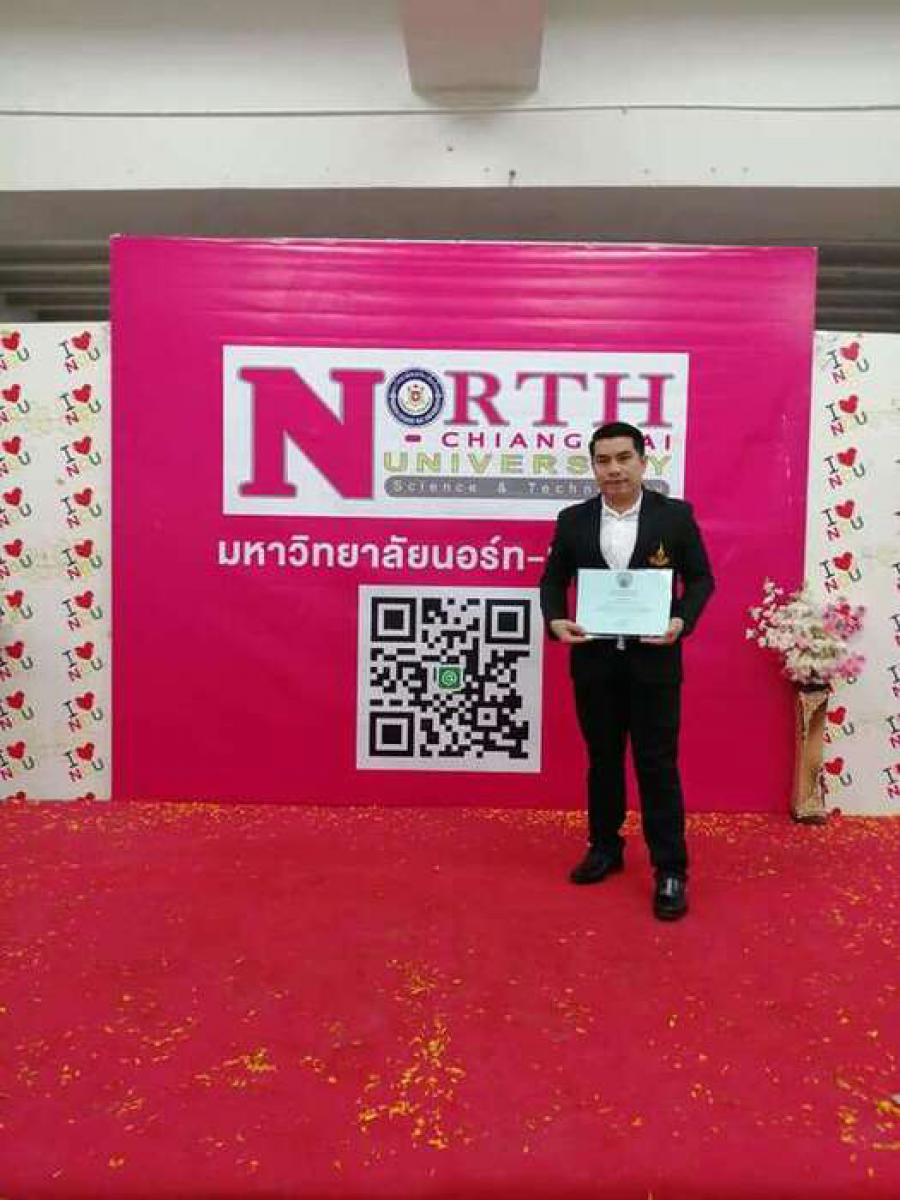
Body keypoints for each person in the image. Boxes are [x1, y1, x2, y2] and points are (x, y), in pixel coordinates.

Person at [540, 421, 714, 920]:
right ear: (593, 466)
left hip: (655, 663)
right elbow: (552, 581)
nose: (613, 469)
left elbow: (701, 579)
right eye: (603, 460)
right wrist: (555, 620)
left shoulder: (674, 517)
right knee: (603, 760)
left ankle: (671, 868)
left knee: (657, 764)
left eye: (623, 458)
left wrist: (681, 620)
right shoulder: (573, 520)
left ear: (642, 461)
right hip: (594, 662)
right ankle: (604, 846)